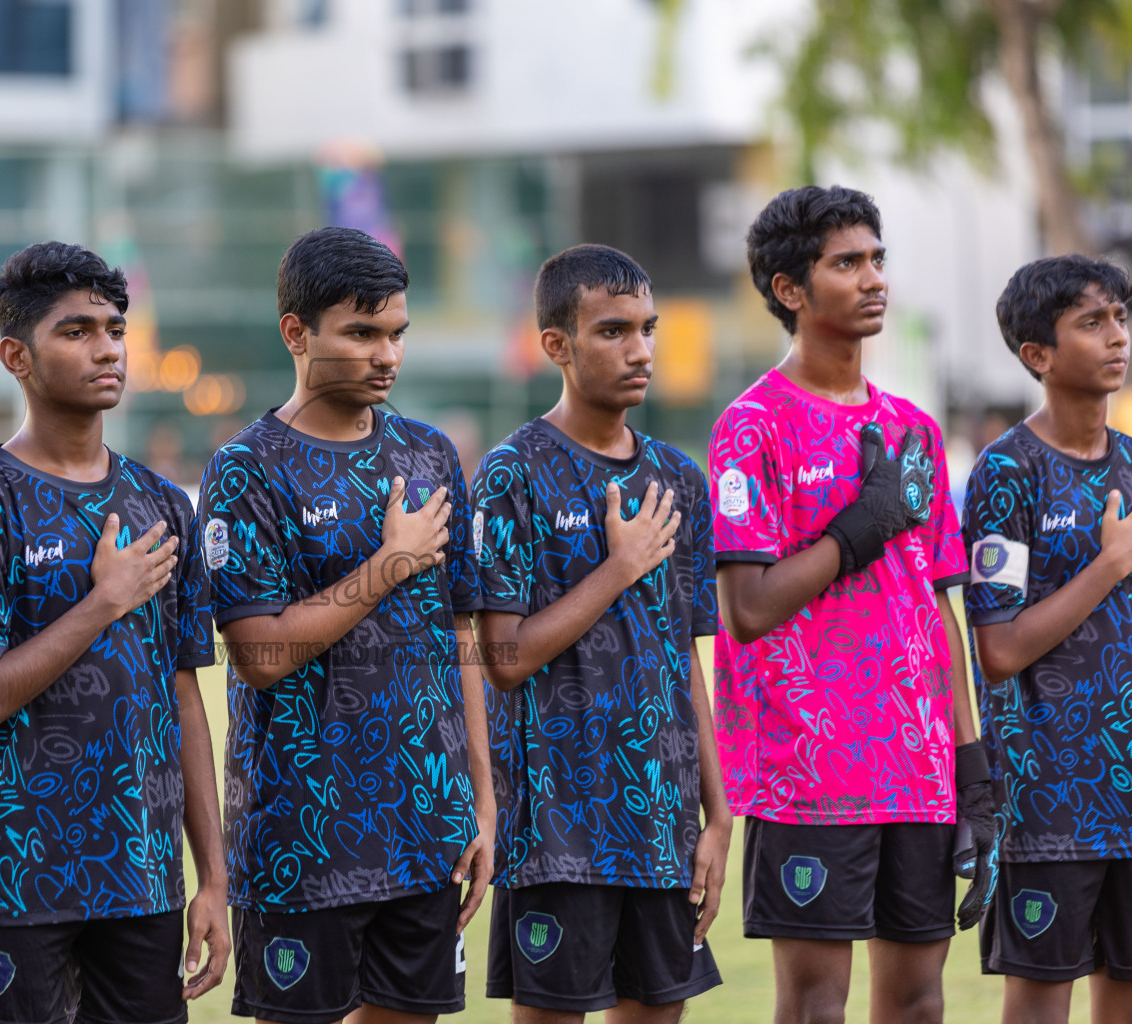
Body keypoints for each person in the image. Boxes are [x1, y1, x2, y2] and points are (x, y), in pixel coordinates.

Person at [708, 185, 994, 1023]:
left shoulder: (915, 432)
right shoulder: (750, 426)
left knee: (918, 1005)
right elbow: (748, 609)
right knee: (814, 1009)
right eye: (847, 263)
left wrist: (971, 765)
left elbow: (938, 607)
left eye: (877, 259)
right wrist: (861, 527)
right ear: (791, 291)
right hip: (809, 773)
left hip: (919, 771)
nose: (873, 278)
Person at [197, 226, 493, 1024]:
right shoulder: (246, 468)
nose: (386, 354)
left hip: (425, 827)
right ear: (297, 333)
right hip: (302, 836)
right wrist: (389, 564)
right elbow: (260, 654)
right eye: (361, 333)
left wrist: (481, 798)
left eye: (397, 333)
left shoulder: (431, 455)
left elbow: (461, 633)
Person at [0, 241, 228, 1023]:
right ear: (15, 356)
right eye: (76, 331)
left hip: (144, 882)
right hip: (18, 883)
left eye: (114, 328)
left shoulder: (164, 505)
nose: (107, 348)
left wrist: (215, 881)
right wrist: (102, 603)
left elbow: (185, 700)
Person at [471, 244, 729, 1024]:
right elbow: (505, 659)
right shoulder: (512, 472)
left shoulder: (679, 478)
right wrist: (618, 570)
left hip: (663, 824)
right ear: (557, 345)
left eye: (647, 328)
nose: (642, 350)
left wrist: (718, 816)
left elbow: (681, 655)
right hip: (557, 831)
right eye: (614, 330)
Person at [963, 255, 1132, 1024]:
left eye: (1121, 317)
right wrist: (1108, 567)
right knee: (1039, 1007)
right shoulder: (1008, 474)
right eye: (1092, 322)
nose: (1117, 336)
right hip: (1047, 802)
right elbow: (997, 650)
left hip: (1128, 794)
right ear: (1038, 355)